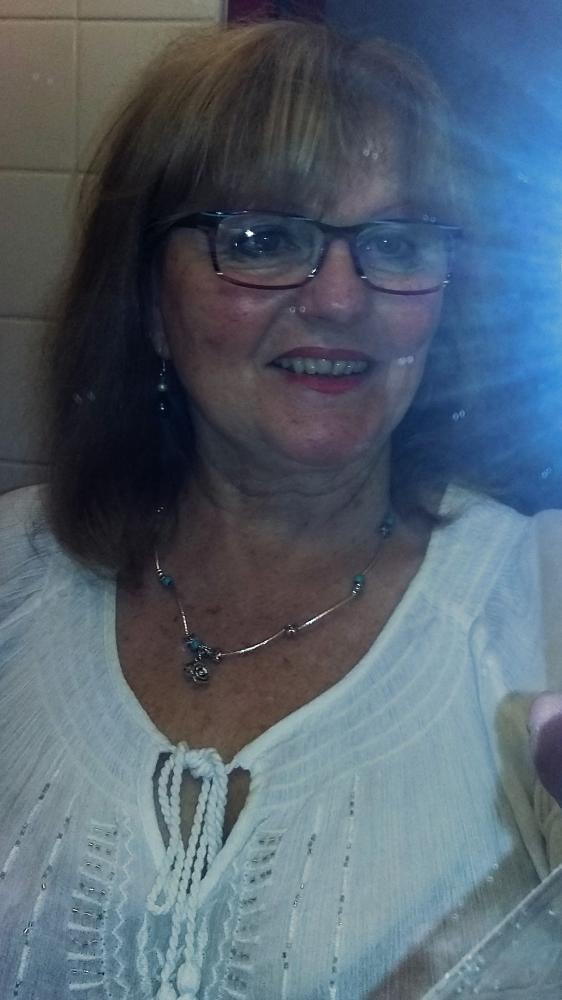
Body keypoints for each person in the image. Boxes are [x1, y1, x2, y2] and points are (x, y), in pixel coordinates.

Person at [1, 18, 561, 1000]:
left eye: (396, 241)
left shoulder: (540, 603)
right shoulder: (14, 574)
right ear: (148, 301)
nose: (340, 299)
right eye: (262, 238)